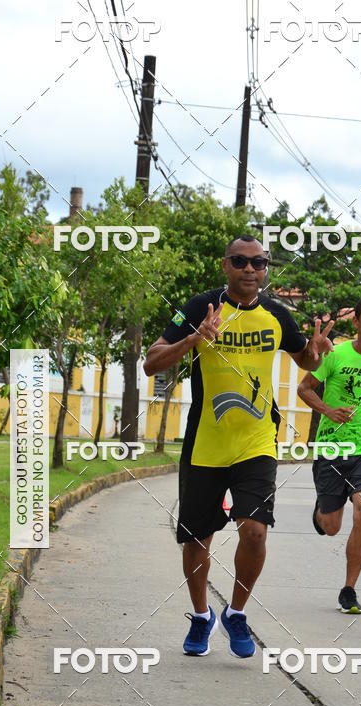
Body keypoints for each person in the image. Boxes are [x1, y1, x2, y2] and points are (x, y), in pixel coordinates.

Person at [143, 235, 334, 658]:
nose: (250, 268)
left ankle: (236, 612)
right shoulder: (199, 307)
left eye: (259, 262)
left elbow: (304, 358)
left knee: (255, 530)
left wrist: (316, 354)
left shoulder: (277, 314)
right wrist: (194, 339)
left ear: (266, 268)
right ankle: (201, 617)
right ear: (225, 265)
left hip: (257, 441)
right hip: (205, 443)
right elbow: (151, 362)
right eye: (241, 261)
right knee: (197, 538)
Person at [297, 297, 361, 615]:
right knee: (332, 526)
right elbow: (304, 388)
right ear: (357, 322)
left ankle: (349, 590)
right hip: (332, 448)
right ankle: (321, 512)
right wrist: (328, 410)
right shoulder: (336, 354)